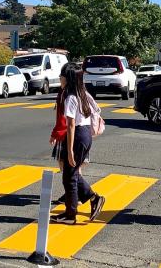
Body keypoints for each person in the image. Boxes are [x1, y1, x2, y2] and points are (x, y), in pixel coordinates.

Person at [51, 66, 106, 225]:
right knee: (71, 174)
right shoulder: (84, 94)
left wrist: (69, 151)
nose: (60, 79)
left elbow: (70, 125)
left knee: (69, 177)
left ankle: (70, 214)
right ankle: (91, 200)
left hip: (77, 136)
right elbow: (96, 110)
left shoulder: (70, 97)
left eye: (62, 76)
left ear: (67, 78)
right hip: (86, 135)